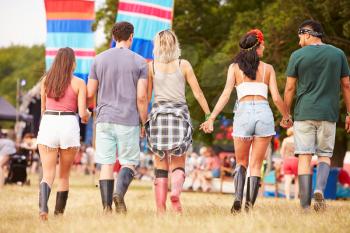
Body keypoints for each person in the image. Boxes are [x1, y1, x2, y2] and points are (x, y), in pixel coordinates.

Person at [200, 29, 292, 213]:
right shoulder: (268, 69)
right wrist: (286, 116)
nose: (264, 48)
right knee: (256, 165)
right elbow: (275, 98)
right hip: (263, 113)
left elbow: (226, 95)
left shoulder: (234, 68)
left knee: (241, 162)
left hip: (242, 113)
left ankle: (237, 198)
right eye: (263, 45)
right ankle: (249, 206)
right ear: (257, 48)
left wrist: (211, 118)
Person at [284, 19, 350, 211]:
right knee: (324, 155)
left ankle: (304, 205)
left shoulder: (297, 55)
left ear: (307, 34)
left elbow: (289, 87)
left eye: (299, 37)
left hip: (304, 113)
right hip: (328, 114)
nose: (298, 42)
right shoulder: (338, 55)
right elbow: (346, 85)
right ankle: (319, 189)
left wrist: (286, 113)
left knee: (304, 156)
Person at [145, 29, 210, 214]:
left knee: (160, 164)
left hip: (158, 117)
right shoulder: (184, 64)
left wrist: (143, 121)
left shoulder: (152, 67)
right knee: (178, 162)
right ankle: (175, 192)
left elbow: (147, 96)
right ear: (176, 44)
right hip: (179, 116)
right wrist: (208, 115)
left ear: (157, 46)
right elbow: (197, 93)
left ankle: (160, 209)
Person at [87, 21, 148, 213]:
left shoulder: (98, 59)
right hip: (128, 118)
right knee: (128, 162)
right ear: (131, 37)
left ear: (114, 37)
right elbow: (142, 96)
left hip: (104, 118)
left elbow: (90, 92)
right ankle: (119, 193)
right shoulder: (140, 62)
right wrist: (143, 121)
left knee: (106, 163)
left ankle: (106, 208)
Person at [36, 47, 91, 220]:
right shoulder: (79, 83)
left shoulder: (46, 81)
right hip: (68, 124)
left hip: (49, 123)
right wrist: (88, 115)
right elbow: (82, 113)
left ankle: (43, 208)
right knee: (64, 175)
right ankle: (58, 216)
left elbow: (43, 109)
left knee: (47, 174)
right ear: (72, 62)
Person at [280, 127, 298, 199]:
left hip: (287, 161)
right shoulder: (298, 140)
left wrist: (283, 160)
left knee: (287, 181)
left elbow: (282, 152)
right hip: (296, 160)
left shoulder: (285, 140)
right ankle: (296, 197)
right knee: (297, 181)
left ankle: (287, 197)